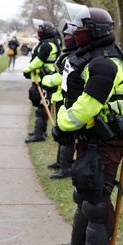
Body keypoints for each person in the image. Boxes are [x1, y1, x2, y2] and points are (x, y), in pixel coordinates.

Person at [50, 4, 123, 245]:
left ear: (95, 31)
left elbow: (86, 107)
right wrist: (67, 127)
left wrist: (61, 124)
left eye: (80, 28)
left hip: (106, 141)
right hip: (90, 139)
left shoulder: (105, 63)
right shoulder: (89, 57)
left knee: (96, 203)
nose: (75, 32)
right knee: (82, 195)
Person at [42, 20, 78, 179]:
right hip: (59, 97)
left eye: (68, 35)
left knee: (66, 134)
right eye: (64, 35)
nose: (65, 38)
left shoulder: (76, 55)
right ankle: (60, 162)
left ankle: (66, 168)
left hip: (68, 100)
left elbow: (63, 77)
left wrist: (47, 80)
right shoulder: (68, 54)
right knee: (60, 132)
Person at [23, 20, 61, 143]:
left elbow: (39, 61)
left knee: (42, 106)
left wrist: (27, 69)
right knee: (42, 105)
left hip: (45, 79)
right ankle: (40, 130)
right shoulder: (48, 43)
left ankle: (39, 134)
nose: (39, 31)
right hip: (42, 78)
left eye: (41, 29)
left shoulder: (47, 45)